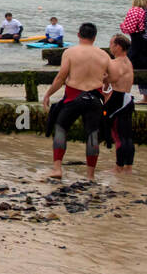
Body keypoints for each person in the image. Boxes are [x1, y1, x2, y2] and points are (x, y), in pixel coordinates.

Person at [42, 22, 111, 181]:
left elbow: (60, 78)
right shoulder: (103, 55)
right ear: (94, 37)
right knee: (92, 135)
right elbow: (112, 78)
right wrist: (105, 83)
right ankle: (90, 175)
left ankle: (57, 168)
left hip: (74, 97)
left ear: (79, 35)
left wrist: (48, 94)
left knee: (60, 129)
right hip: (94, 98)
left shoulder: (70, 52)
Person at [102, 34, 136, 174]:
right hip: (127, 98)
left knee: (118, 135)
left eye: (111, 44)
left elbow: (110, 80)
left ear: (118, 46)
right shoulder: (127, 61)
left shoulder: (116, 63)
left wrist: (104, 79)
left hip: (119, 99)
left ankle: (118, 167)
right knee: (127, 136)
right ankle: (128, 166)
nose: (110, 47)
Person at [120, 0, 147, 104]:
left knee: (129, 66)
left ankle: (145, 97)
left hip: (138, 43)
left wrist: (122, 25)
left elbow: (128, 29)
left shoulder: (135, 11)